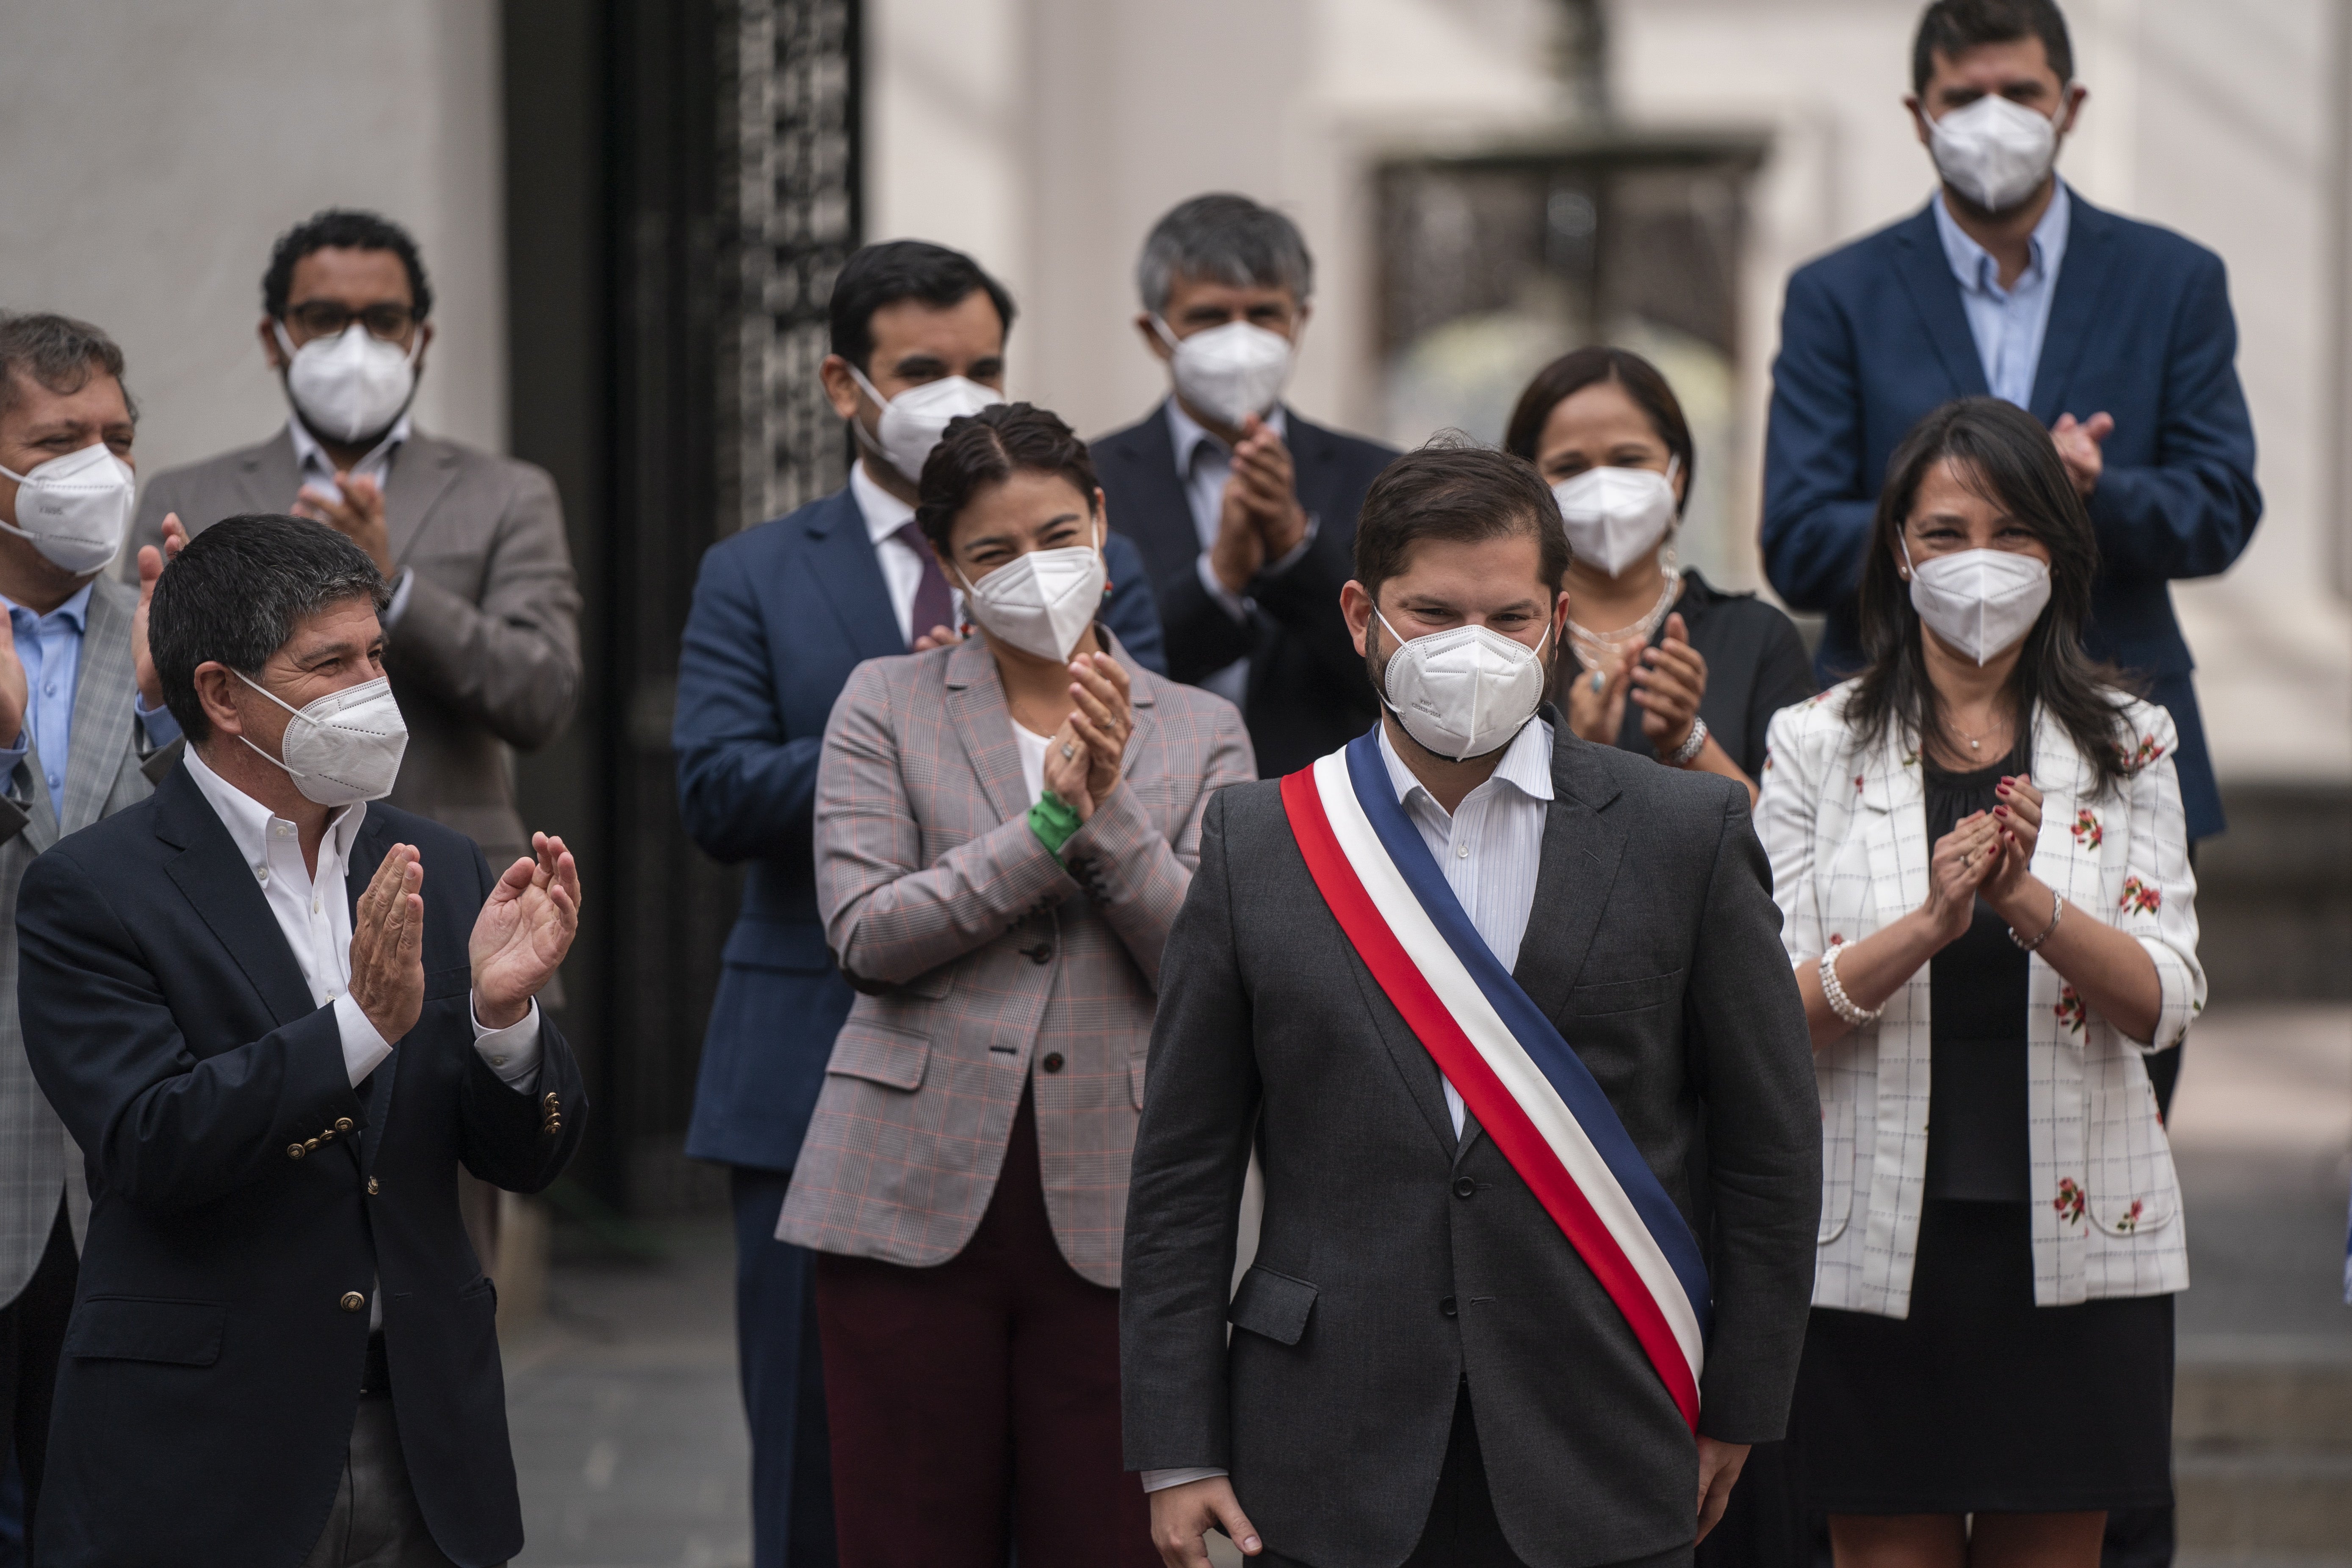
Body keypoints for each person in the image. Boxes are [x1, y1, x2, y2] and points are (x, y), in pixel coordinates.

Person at [1123, 440, 1820, 1568]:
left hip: (1607, 1423)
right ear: (1359, 612)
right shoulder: (1261, 841)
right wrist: (1174, 1445)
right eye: (1433, 612)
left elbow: (1768, 1146)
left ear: (1554, 617)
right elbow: (1182, 1168)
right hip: (1321, 1443)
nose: (1473, 648)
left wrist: (1740, 1402)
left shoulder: (1681, 833)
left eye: (1507, 618)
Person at [672, 240, 1168, 1568]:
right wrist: (907, 726)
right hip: (817, 1075)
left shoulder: (1104, 577)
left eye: (984, 365)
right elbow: (713, 788)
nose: (956, 389)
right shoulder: (760, 571)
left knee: (1066, 1490)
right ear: (846, 383)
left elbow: (1149, 769)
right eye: (922, 368)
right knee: (828, 1475)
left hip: (1076, 1093)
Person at [17, 514, 587, 1567]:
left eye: (375, 654)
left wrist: (506, 1022)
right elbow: (150, 1141)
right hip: (210, 1440)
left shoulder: (440, 860)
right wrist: (359, 1031)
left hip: (425, 1431)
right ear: (224, 694)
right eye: (330, 663)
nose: (372, 687)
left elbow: (524, 1157)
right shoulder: (94, 890)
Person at [777, 401, 1250, 1566]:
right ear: (947, 566)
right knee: (904, 1533)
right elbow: (866, 929)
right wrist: (1046, 824)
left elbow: (1209, 962)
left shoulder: (1202, 730)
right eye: (993, 550)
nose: (1034, 569)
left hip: (1123, 1204)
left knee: (1105, 1537)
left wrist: (1110, 810)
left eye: (1057, 532)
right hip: (903, 1195)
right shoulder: (881, 704)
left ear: (1101, 522)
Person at [1758, 398, 2201, 1568]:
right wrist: (1931, 922)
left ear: (2056, 550)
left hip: (2079, 1242)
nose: (1976, 563)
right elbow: (1770, 1013)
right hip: (1869, 1245)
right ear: (1896, 550)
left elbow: (2167, 996)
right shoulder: (1814, 740)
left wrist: (2026, 906)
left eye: (2009, 532)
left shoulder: (2132, 742)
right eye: (1943, 532)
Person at [1763, 0, 2255, 866]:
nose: (1992, 120)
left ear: (2068, 105)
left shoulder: (2171, 281)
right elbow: (1797, 541)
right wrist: (1946, 516)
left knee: (2120, 994)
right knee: (1885, 995)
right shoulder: (1836, 296)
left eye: (2020, 92)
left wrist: (2092, 491)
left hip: (2114, 721)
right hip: (1885, 731)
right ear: (1919, 117)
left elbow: (2220, 507)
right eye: (1963, 97)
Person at [132, 208, 582, 886]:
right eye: (323, 318)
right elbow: (149, 709)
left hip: (450, 881)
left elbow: (542, 698)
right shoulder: (193, 496)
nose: (354, 346)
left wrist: (396, 588)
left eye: (382, 320)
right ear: (274, 337)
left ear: (421, 339)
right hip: (242, 879)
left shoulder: (507, 493)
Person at [0, 312, 189, 1554]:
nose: (102, 469)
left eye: (118, 438)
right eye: (62, 439)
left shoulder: (170, 636)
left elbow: (211, 880)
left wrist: (179, 718)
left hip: (128, 1156)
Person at [1092, 193, 1398, 777]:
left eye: (1262, 314)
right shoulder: (1091, 482)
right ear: (1155, 333)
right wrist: (1220, 580)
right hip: (1148, 810)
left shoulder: (1383, 479)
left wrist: (1294, 547)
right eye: (1208, 317)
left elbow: (1400, 677)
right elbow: (1100, 667)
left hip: (1332, 813)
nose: (1239, 341)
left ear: (1299, 322)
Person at [1505, 347, 1814, 804]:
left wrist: (1685, 741)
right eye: (1570, 468)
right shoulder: (1503, 636)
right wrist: (1582, 752)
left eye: (1629, 460)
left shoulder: (1756, 638)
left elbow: (1792, 847)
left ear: (1677, 476)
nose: (1604, 487)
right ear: (1528, 485)